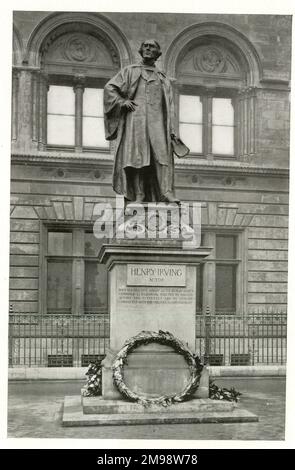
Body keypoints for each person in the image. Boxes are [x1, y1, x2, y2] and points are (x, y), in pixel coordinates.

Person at [104, 39, 180, 203]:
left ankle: (166, 191)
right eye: (144, 46)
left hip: (158, 123)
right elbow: (110, 88)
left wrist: (172, 130)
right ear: (140, 50)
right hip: (136, 121)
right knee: (137, 158)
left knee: (162, 157)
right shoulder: (130, 72)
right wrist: (121, 102)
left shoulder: (163, 78)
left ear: (158, 53)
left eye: (151, 46)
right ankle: (139, 194)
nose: (147, 48)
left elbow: (170, 107)